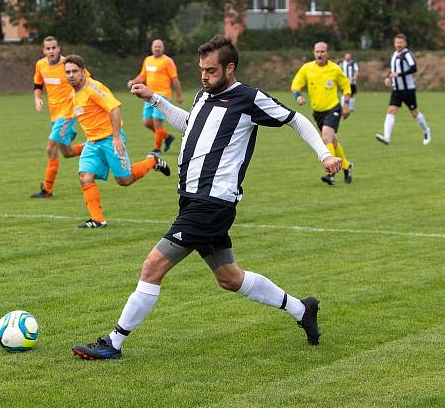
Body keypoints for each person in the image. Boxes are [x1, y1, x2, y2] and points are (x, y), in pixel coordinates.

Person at [71, 35, 341, 360]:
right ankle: (302, 310)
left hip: (211, 204)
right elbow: (190, 123)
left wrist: (324, 154)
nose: (204, 76)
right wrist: (155, 98)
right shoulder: (203, 95)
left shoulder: (248, 98)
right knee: (230, 278)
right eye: (201, 70)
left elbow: (295, 119)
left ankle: (113, 342)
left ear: (230, 67)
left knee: (152, 267)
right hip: (192, 199)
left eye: (211, 70)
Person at [64, 54, 171, 228]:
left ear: (83, 72)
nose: (71, 75)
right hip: (92, 143)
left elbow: (114, 108)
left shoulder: (93, 88)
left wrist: (115, 137)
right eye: (67, 72)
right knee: (85, 177)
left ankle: (153, 161)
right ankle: (98, 220)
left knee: (124, 180)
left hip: (110, 139)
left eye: (74, 71)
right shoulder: (73, 93)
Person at [291, 42, 353, 185]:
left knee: (326, 138)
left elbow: (346, 86)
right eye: (317, 51)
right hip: (317, 112)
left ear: (327, 53)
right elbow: (296, 84)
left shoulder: (335, 69)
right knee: (333, 141)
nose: (320, 54)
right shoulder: (307, 68)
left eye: (322, 52)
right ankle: (347, 166)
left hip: (333, 108)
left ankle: (331, 174)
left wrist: (346, 104)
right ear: (314, 53)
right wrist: (297, 96)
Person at [30, 36, 85, 198]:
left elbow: (86, 78)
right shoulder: (40, 65)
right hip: (55, 114)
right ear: (44, 50)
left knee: (50, 148)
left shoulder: (67, 65)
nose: (51, 51)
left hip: (68, 113)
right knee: (67, 152)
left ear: (59, 48)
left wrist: (76, 96)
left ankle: (47, 190)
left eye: (54, 48)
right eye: (48, 48)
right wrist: (37, 98)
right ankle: (94, 145)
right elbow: (38, 84)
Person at [127, 39, 184, 153]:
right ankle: (167, 137)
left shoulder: (168, 61)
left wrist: (179, 94)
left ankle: (157, 149)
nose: (157, 48)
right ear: (152, 47)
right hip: (148, 94)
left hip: (163, 95)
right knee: (147, 122)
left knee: (157, 122)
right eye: (155, 46)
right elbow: (143, 76)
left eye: (159, 46)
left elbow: (174, 79)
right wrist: (134, 81)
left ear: (163, 48)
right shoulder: (148, 60)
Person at [376, 33, 431, 146]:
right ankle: (387, 137)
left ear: (405, 43)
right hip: (397, 90)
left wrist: (399, 74)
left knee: (414, 112)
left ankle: (426, 131)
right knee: (391, 110)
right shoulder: (394, 55)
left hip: (408, 90)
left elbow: (413, 68)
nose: (398, 45)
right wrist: (388, 77)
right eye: (397, 42)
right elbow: (393, 70)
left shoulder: (407, 54)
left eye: (401, 43)